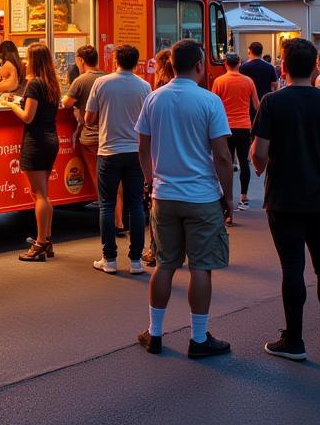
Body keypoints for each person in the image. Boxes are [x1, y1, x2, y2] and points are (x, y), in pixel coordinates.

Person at [251, 38, 320, 360]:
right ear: (314, 68)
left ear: (283, 66)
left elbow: (258, 152)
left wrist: (260, 166)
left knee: (292, 268)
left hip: (284, 197)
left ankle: (294, 339)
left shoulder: (272, 102)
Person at [136, 39, 233, 358]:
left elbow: (143, 148)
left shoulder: (154, 99)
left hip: (165, 195)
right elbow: (221, 155)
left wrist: (150, 181)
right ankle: (199, 338)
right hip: (202, 196)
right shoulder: (209, 101)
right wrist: (228, 197)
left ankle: (155, 333)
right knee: (201, 268)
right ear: (200, 66)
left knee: (164, 265)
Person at [85, 44, 150, 275]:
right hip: (135, 153)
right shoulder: (144, 86)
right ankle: (135, 261)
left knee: (107, 205)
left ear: (115, 60)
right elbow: (147, 121)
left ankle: (109, 259)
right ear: (136, 61)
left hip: (109, 152)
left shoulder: (102, 83)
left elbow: (89, 118)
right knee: (136, 204)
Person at [2, 43, 60, 262]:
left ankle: (40, 243)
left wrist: (10, 105)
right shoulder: (50, 83)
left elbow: (28, 116)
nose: (25, 61)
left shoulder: (34, 84)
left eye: (27, 57)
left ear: (35, 60)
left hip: (36, 142)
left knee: (39, 195)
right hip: (50, 140)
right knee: (44, 194)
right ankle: (47, 238)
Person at [211, 53, 259, 212]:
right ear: (239, 63)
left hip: (224, 127)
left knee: (226, 162)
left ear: (225, 64)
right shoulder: (248, 81)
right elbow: (256, 105)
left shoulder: (219, 81)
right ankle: (244, 197)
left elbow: (214, 105)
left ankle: (227, 197)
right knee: (244, 162)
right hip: (244, 126)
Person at [62, 45, 105, 190]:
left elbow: (66, 103)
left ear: (80, 60)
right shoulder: (108, 78)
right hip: (109, 136)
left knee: (98, 179)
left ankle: (105, 211)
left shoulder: (80, 81)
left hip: (90, 137)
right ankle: (118, 211)